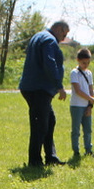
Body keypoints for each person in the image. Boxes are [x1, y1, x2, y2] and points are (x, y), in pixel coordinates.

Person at [20, 21, 70, 167]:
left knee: (49, 121)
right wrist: (58, 85)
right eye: (64, 34)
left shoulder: (39, 36)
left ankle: (51, 157)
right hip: (39, 89)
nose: (63, 39)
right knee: (40, 125)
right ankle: (35, 161)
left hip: (31, 87)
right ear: (59, 29)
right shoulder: (49, 40)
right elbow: (49, 62)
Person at [69, 48, 94, 157]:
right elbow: (78, 90)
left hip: (86, 105)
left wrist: (90, 105)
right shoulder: (74, 73)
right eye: (84, 63)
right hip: (76, 105)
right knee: (76, 130)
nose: (86, 65)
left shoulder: (89, 73)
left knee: (88, 129)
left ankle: (88, 150)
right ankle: (76, 151)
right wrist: (90, 98)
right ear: (78, 60)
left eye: (88, 63)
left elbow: (91, 89)